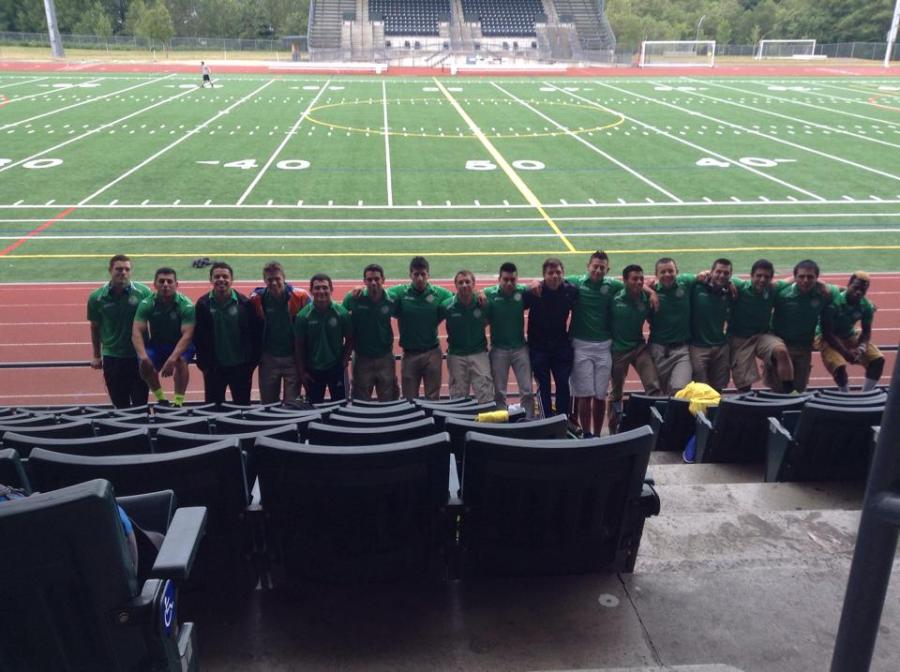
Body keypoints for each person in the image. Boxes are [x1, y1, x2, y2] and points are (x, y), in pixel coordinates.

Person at [565, 250, 624, 437]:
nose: (598, 271)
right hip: (580, 346)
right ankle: (587, 434)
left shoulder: (612, 285)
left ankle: (598, 435)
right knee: (584, 395)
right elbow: (552, 282)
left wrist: (650, 291)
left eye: (602, 268)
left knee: (600, 396)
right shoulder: (575, 282)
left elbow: (632, 286)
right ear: (587, 266)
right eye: (595, 267)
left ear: (608, 269)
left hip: (604, 347)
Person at [87, 254, 152, 408]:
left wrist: (153, 351)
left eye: (127, 269)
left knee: (140, 404)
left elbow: (154, 322)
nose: (123, 272)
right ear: (110, 270)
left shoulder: (144, 293)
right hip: (112, 357)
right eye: (119, 269)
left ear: (131, 272)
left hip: (138, 357)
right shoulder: (96, 298)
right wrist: (96, 355)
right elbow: (95, 327)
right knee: (120, 405)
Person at [193, 261, 263, 405]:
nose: (221, 280)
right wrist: (205, 366)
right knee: (213, 409)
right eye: (217, 276)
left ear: (232, 280)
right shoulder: (203, 304)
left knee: (242, 407)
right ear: (210, 280)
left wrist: (250, 365)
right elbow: (198, 337)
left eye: (225, 276)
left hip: (241, 368)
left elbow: (255, 335)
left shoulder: (245, 304)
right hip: (214, 368)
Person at [765, 260, 838, 392]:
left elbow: (844, 291)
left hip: (803, 347)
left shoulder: (823, 292)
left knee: (799, 388)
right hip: (780, 343)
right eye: (801, 276)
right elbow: (764, 287)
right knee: (778, 388)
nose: (805, 280)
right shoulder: (782, 291)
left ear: (817, 278)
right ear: (795, 277)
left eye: (810, 277)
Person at [388, 257, 453, 400]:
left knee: (433, 398)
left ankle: (433, 423)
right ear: (410, 275)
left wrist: (479, 294)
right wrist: (360, 290)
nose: (419, 278)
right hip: (409, 354)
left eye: (423, 274)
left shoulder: (440, 294)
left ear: (428, 275)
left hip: (432, 352)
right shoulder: (400, 293)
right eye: (416, 274)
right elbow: (379, 294)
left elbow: (459, 298)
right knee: (409, 398)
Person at [131, 267, 195, 407]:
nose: (165, 284)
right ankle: (161, 399)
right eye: (161, 281)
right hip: (158, 344)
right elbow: (136, 331)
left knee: (180, 361)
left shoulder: (186, 305)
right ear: (155, 285)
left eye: (169, 281)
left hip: (181, 344)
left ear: (176, 285)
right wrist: (143, 356)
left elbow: (187, 335)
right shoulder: (147, 304)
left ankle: (178, 401)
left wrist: (171, 359)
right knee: (143, 363)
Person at [728, 259, 795, 393]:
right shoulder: (739, 286)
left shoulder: (773, 288)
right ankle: (747, 407)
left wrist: (820, 283)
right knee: (744, 385)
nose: (762, 280)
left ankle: (789, 393)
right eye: (759, 276)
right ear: (751, 275)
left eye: (767, 277)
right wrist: (728, 282)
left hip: (761, 336)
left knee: (781, 351)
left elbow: (794, 278)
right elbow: (717, 276)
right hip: (739, 339)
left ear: (771, 278)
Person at [609, 265, 661, 432]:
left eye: (641, 279)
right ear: (625, 281)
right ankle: (612, 430)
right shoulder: (614, 298)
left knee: (653, 386)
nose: (639, 282)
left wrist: (652, 292)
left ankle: (652, 426)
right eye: (634, 279)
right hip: (618, 351)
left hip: (639, 348)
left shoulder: (646, 298)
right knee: (616, 393)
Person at [524, 257, 578, 418]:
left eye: (558, 272)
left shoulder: (571, 290)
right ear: (543, 275)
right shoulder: (533, 292)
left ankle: (562, 420)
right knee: (544, 386)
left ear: (563, 273)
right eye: (550, 273)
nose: (555, 276)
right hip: (538, 347)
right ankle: (546, 420)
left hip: (561, 346)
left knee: (563, 384)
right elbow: (513, 297)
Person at [249, 261, 310, 404]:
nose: (274, 283)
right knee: (268, 403)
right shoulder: (258, 299)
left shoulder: (300, 297)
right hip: (269, 359)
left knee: (291, 404)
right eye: (270, 280)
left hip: (293, 359)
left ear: (284, 278)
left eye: (277, 279)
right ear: (264, 281)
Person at [816, 272, 885, 392]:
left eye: (863, 290)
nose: (859, 292)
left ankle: (865, 395)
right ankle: (845, 394)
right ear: (848, 285)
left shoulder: (866, 306)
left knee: (878, 360)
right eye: (856, 288)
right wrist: (846, 353)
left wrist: (861, 348)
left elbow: (866, 331)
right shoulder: (833, 303)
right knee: (839, 366)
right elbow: (827, 333)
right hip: (825, 336)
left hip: (849, 334)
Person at [342, 264, 399, 401]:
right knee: (360, 400)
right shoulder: (353, 298)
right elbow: (341, 318)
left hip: (385, 357)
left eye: (377, 279)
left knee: (389, 400)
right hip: (362, 358)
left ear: (383, 280)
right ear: (364, 281)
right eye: (369, 279)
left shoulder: (392, 299)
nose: (373, 282)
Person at [484, 262, 534, 416]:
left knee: (527, 390)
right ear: (499, 279)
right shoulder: (489, 294)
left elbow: (534, 286)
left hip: (520, 348)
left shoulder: (522, 292)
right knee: (499, 392)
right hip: (498, 350)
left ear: (517, 279)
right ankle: (501, 424)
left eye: (513, 280)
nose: (509, 283)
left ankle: (529, 421)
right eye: (505, 279)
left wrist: (536, 283)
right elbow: (476, 294)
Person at [294, 274, 353, 404]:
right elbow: (299, 346)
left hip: (336, 368)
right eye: (317, 288)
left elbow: (350, 339)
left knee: (341, 407)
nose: (321, 291)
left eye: (325, 287)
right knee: (314, 408)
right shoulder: (303, 316)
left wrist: (343, 361)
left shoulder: (341, 313)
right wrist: (302, 371)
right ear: (311, 290)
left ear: (331, 289)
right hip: (313, 370)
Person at [439, 270, 495, 404]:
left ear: (474, 284)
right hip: (456, 355)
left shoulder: (483, 303)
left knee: (485, 394)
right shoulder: (446, 306)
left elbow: (490, 319)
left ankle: (487, 425)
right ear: (455, 285)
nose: (464, 285)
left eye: (468, 282)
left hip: (479, 353)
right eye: (460, 282)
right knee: (458, 397)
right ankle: (461, 424)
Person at [648, 257, 695, 395]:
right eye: (663, 272)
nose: (667, 274)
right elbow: (628, 286)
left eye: (670, 271)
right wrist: (649, 291)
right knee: (659, 394)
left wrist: (729, 283)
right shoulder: (651, 291)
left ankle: (676, 417)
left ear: (677, 272)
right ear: (656, 275)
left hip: (682, 350)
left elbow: (709, 277)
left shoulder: (686, 283)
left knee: (679, 391)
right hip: (658, 350)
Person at [689, 258, 734, 392]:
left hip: (721, 347)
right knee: (701, 389)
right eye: (718, 272)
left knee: (719, 389)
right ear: (711, 272)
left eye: (726, 273)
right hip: (698, 347)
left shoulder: (730, 291)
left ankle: (716, 413)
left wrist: (731, 283)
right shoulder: (696, 286)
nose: (721, 276)